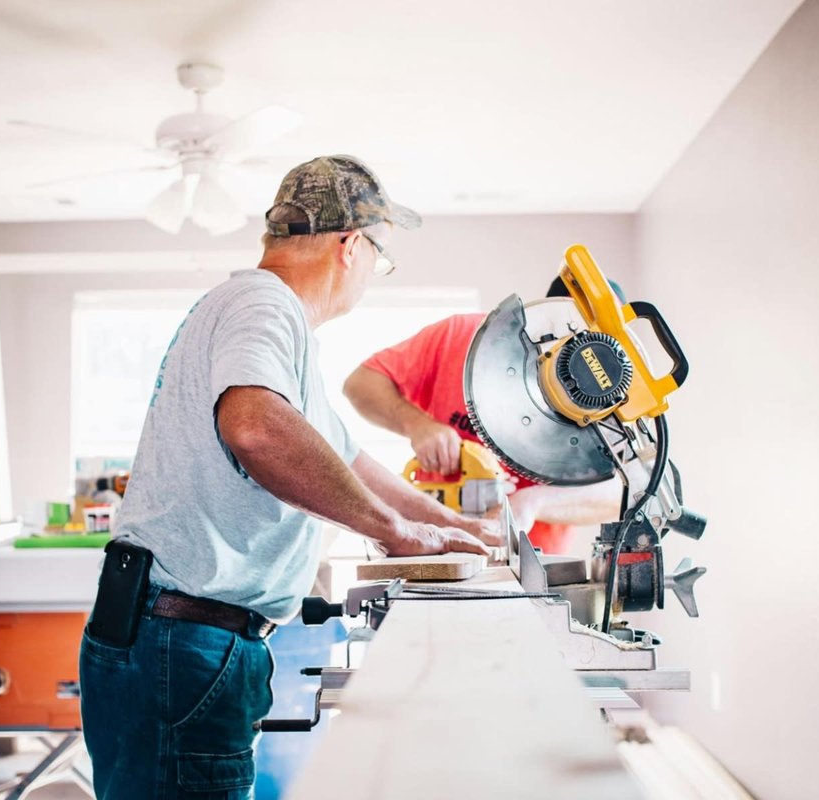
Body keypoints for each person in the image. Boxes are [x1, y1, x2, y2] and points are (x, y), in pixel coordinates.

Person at [78, 155, 498, 799]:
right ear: (351, 246)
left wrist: (449, 524)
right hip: (183, 639)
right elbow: (256, 428)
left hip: (178, 636)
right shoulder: (262, 302)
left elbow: (347, 456)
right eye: (380, 261)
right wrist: (396, 532)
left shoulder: (269, 321)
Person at [343, 277, 626, 555]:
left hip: (530, 562)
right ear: (544, 313)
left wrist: (532, 502)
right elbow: (361, 384)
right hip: (432, 544)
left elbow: (621, 493)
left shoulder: (608, 398)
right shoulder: (461, 336)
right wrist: (416, 424)